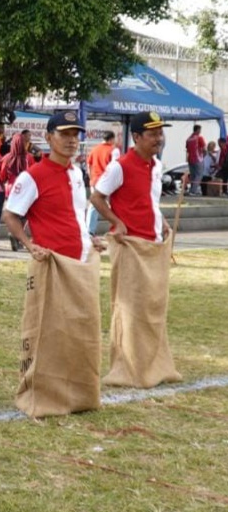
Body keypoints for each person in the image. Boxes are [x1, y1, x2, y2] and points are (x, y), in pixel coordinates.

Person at [3, 111, 105, 417]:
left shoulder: (76, 173)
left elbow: (74, 214)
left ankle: (78, 391)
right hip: (54, 264)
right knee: (49, 332)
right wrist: (29, 243)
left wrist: (89, 238)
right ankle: (43, 393)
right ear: (48, 138)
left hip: (81, 263)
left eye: (75, 134)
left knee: (81, 329)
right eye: (64, 134)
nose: (72, 140)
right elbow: (11, 214)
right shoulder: (32, 176)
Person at [90, 112, 181, 389]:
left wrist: (161, 222)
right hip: (130, 246)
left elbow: (148, 200)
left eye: (160, 133)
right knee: (130, 309)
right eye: (152, 134)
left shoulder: (156, 165)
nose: (158, 139)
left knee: (153, 308)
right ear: (137, 137)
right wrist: (116, 221)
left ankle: (154, 365)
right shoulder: (121, 166)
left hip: (153, 245)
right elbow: (96, 196)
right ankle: (127, 368)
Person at [0, 129, 35, 251]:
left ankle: (13, 234)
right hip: (25, 191)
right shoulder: (29, 158)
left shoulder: (6, 158)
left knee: (12, 215)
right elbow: (32, 175)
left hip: (10, 190)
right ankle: (18, 238)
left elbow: (2, 176)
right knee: (24, 216)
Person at [185, 124, 205, 196]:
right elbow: (204, 148)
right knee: (199, 175)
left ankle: (191, 190)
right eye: (200, 130)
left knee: (193, 175)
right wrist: (204, 156)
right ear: (198, 130)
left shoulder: (189, 139)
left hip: (190, 159)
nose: (200, 131)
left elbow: (187, 149)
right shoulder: (199, 138)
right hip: (198, 159)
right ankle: (193, 191)